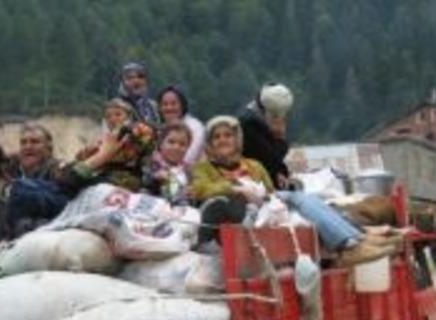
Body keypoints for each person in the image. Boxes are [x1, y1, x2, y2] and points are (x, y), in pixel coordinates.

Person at [191, 116, 400, 264]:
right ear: (209, 145)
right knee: (300, 198)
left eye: (227, 135)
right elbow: (201, 190)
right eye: (216, 137)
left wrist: (259, 193)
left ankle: (355, 240)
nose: (222, 140)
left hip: (267, 210)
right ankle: (353, 241)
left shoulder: (254, 165)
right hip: (241, 215)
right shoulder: (202, 168)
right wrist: (236, 188)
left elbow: (271, 193)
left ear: (237, 140)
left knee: (308, 201)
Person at [0, 73, 70, 240]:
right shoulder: (11, 169)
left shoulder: (56, 170)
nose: (28, 146)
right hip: (5, 245)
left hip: (42, 241)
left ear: (49, 147)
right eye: (24, 142)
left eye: (35, 142)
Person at [72, 98, 157, 193]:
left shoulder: (140, 131)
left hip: (131, 179)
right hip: (107, 178)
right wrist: (90, 151)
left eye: (118, 114)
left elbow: (143, 143)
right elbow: (80, 159)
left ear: (128, 116)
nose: (113, 119)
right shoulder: (105, 139)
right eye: (108, 116)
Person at [239, 83, 294, 189]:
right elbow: (272, 159)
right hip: (256, 183)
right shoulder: (250, 124)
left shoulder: (251, 117)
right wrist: (280, 138)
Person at [157, 85, 206, 166]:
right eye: (165, 104)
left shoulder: (195, 126)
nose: (169, 108)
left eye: (173, 104)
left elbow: (188, 158)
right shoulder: (160, 129)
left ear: (182, 105)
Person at [147, 121, 194, 205]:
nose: (176, 147)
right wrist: (155, 178)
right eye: (171, 142)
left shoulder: (188, 171)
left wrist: (192, 193)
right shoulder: (151, 163)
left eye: (182, 144)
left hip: (181, 210)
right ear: (161, 143)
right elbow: (144, 182)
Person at [117, 61, 160, 126]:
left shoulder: (153, 106)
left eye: (140, 77)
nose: (136, 81)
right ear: (122, 82)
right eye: (130, 78)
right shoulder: (117, 107)